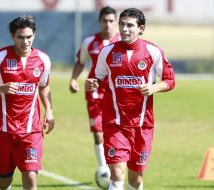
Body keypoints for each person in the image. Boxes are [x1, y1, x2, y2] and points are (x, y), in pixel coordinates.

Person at [85, 8, 175, 190]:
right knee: (117, 175)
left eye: (130, 25)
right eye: (122, 25)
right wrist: (91, 84)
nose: (124, 29)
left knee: (136, 179)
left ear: (141, 28)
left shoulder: (153, 51)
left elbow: (170, 80)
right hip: (115, 123)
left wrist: (153, 87)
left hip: (143, 125)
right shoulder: (107, 52)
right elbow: (95, 77)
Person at [0, 15, 54, 190]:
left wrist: (49, 112)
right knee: (5, 180)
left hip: (30, 130)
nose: (25, 41)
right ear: (12, 36)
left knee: (31, 176)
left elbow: (44, 86)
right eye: (21, 37)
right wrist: (0, 87)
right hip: (2, 130)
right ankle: (0, 185)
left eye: (29, 37)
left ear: (34, 35)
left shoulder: (43, 60)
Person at [69, 6, 120, 177]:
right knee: (98, 132)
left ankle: (118, 165)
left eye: (111, 21)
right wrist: (74, 79)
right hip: (95, 92)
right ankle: (104, 169)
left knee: (118, 131)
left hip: (118, 95)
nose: (108, 24)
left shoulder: (123, 42)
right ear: (99, 22)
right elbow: (80, 62)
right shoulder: (89, 42)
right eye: (105, 21)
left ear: (116, 22)